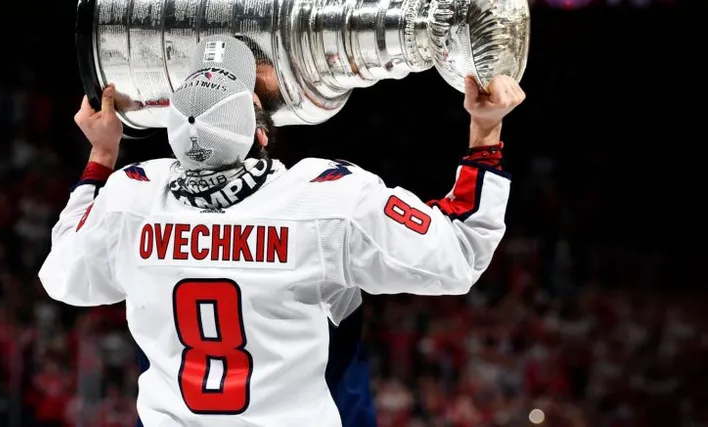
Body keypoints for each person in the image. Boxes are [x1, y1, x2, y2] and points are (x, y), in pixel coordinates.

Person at [39, 35, 525, 427]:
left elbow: (62, 276)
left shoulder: (132, 198)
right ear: (261, 133)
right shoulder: (325, 200)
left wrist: (101, 157)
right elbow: (460, 251)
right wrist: (485, 132)